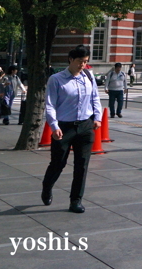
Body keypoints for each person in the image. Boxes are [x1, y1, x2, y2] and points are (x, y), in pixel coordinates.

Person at [42, 45, 102, 213]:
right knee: (58, 163)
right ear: (70, 59)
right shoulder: (56, 79)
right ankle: (47, 186)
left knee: (82, 165)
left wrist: (97, 118)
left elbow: (95, 97)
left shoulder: (88, 76)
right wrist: (54, 126)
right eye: (79, 61)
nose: (82, 65)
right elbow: (50, 104)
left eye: (85, 62)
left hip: (85, 126)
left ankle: (76, 200)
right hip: (64, 127)